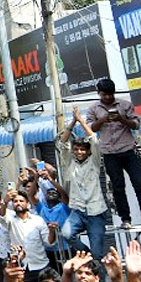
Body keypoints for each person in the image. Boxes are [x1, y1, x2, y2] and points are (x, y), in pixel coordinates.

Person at [86, 78, 141, 230]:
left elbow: (136, 124)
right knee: (118, 188)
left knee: (140, 185)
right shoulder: (93, 109)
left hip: (129, 151)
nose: (108, 98)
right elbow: (91, 128)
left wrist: (121, 119)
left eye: (110, 94)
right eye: (104, 95)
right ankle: (126, 219)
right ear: (99, 94)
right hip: (110, 154)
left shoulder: (125, 105)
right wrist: (103, 120)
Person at [52, 106, 111, 255]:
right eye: (76, 149)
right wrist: (72, 122)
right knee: (66, 234)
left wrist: (81, 121)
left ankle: (96, 263)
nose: (79, 152)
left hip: (96, 212)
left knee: (98, 254)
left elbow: (94, 140)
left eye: (83, 149)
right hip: (77, 211)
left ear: (88, 151)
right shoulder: (70, 162)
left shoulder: (94, 161)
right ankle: (87, 255)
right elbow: (61, 144)